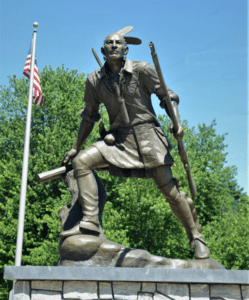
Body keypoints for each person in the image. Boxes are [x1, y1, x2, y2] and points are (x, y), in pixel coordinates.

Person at [60, 32, 210, 259]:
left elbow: (167, 96)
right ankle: (90, 220)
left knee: (169, 191)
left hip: (148, 136)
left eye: (117, 43)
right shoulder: (94, 80)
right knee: (82, 161)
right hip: (118, 140)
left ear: (126, 49)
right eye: (108, 43)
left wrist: (175, 120)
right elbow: (89, 116)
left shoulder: (142, 69)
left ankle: (196, 237)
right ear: (103, 50)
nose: (113, 46)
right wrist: (75, 147)